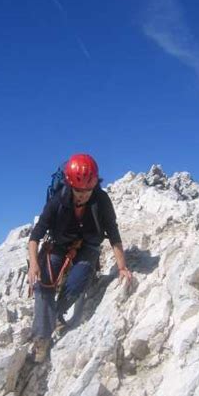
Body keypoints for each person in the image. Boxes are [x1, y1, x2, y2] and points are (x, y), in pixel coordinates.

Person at [28, 153, 132, 362]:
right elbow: (35, 235)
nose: (83, 194)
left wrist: (122, 267)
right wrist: (33, 265)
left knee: (77, 283)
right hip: (58, 245)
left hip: (89, 246)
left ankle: (55, 313)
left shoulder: (101, 200)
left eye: (87, 190)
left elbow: (113, 233)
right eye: (78, 190)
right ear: (69, 184)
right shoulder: (57, 201)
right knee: (42, 283)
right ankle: (42, 339)